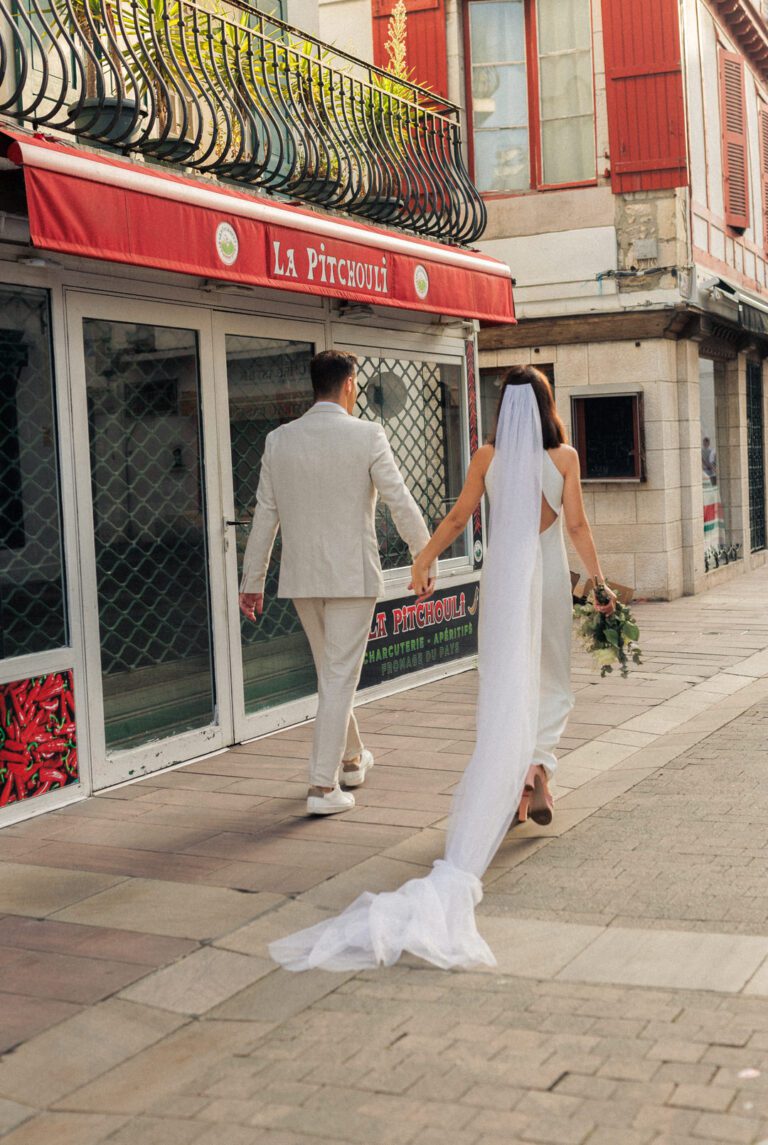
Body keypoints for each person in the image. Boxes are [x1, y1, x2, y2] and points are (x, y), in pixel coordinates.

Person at [269, 365, 616, 971]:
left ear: (502, 409)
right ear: (545, 404)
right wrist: (600, 579)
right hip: (549, 580)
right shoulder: (563, 458)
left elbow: (458, 518)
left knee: (506, 677)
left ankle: (513, 779)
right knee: (553, 679)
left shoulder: (487, 456)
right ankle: (537, 766)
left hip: (505, 582)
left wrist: (425, 558)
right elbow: (578, 526)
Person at [239, 349, 435, 817]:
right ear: (350, 384)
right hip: (351, 575)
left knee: (333, 673)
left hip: (303, 577)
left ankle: (351, 760)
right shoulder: (368, 434)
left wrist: (252, 581)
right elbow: (398, 499)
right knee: (339, 676)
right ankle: (322, 787)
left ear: (315, 385)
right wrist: (423, 555)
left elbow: (265, 515)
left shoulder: (278, 440)